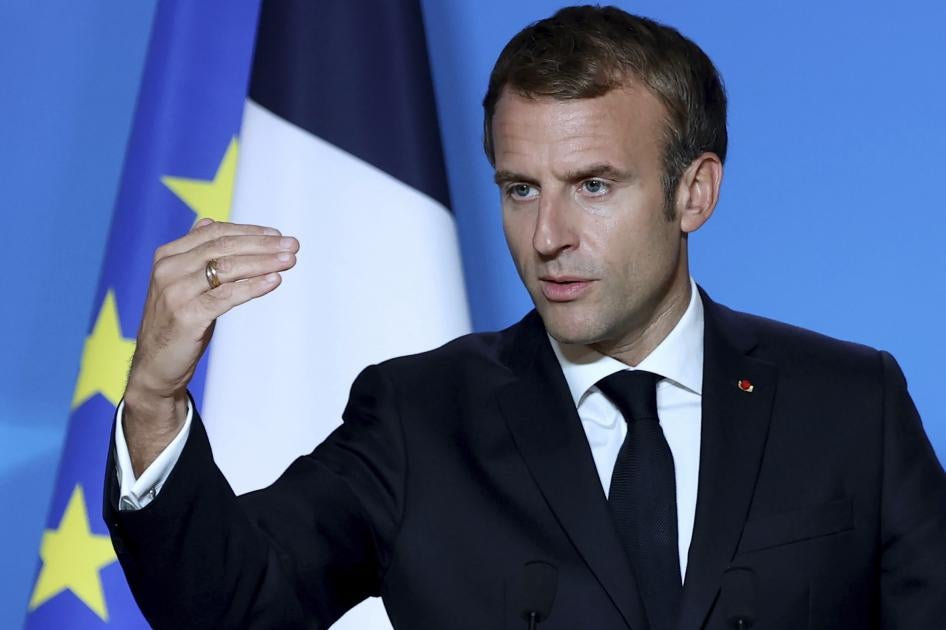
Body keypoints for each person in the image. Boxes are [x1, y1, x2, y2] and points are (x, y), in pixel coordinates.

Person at [104, 6, 946, 629]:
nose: (548, 237)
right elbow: (231, 607)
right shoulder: (419, 418)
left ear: (694, 193)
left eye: (594, 185)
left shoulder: (849, 403)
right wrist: (152, 399)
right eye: (520, 189)